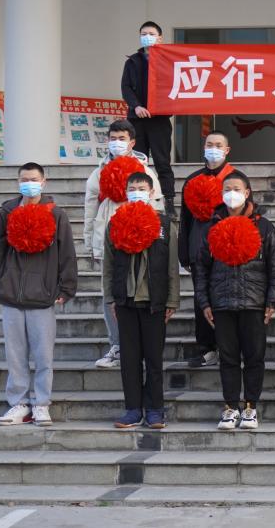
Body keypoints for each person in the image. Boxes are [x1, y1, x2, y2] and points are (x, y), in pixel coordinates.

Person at [0, 163, 77, 427]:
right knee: (15, 354)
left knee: (43, 355)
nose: (29, 183)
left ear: (44, 181)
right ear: (18, 182)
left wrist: (66, 287)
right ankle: (19, 403)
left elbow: (67, 253)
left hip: (43, 295)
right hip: (11, 292)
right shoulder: (7, 212)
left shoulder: (56, 214)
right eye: (24, 179)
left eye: (34, 179)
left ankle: (41, 404)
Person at [194, 170, 275, 431]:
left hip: (254, 303)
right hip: (221, 303)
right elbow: (201, 269)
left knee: (254, 357)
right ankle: (230, 407)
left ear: (247, 193)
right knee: (228, 358)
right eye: (226, 189)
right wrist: (204, 303)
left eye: (236, 189)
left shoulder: (264, 227)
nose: (231, 193)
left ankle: (250, 407)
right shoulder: (211, 227)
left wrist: (272, 301)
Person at [84, 119, 164, 370]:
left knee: (140, 292)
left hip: (142, 241)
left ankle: (141, 346)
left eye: (122, 139)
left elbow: (158, 205)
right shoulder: (99, 172)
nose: (117, 143)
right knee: (110, 294)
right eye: (113, 138)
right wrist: (91, 242)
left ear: (132, 142)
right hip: (109, 238)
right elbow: (90, 208)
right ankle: (117, 345)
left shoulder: (144, 171)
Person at [104, 173, 179, 429]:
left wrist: (172, 300)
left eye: (141, 188)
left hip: (154, 300)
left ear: (151, 192)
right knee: (129, 358)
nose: (137, 192)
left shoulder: (164, 224)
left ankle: (155, 409)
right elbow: (108, 265)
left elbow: (171, 266)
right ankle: (133, 409)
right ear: (126, 192)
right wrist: (110, 298)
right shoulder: (115, 223)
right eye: (132, 188)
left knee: (154, 357)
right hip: (125, 300)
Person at [179, 131, 234, 369]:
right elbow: (185, 220)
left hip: (228, 250)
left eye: (218, 145)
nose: (213, 148)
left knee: (227, 299)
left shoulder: (236, 179)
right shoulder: (192, 180)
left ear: (227, 150)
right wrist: (184, 253)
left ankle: (229, 348)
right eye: (210, 144)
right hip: (198, 249)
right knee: (201, 299)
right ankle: (206, 348)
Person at [121, 20, 175, 210]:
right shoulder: (132, 62)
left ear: (160, 38)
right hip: (137, 120)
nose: (147, 37)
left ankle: (168, 201)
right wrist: (136, 106)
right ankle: (137, 199)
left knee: (162, 162)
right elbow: (126, 88)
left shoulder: (169, 60)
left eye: (151, 34)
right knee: (137, 162)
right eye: (144, 34)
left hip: (159, 120)